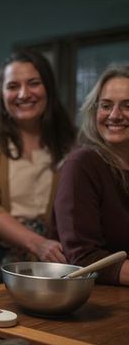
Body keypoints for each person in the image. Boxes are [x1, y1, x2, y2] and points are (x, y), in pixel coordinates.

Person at [0, 51, 76, 287]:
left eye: (33, 83)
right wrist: (37, 243)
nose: (24, 94)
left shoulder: (72, 141)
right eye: (13, 86)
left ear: (48, 88)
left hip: (49, 260)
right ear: (2, 95)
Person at [53, 65, 129, 285]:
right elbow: (84, 258)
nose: (115, 115)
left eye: (127, 106)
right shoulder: (81, 164)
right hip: (89, 301)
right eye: (106, 105)